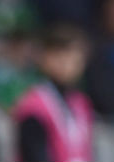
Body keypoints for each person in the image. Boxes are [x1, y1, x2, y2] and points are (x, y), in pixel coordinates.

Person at [13, 25, 94, 162]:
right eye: (61, 55)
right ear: (45, 58)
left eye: (76, 56)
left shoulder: (81, 103)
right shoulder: (34, 107)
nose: (68, 63)